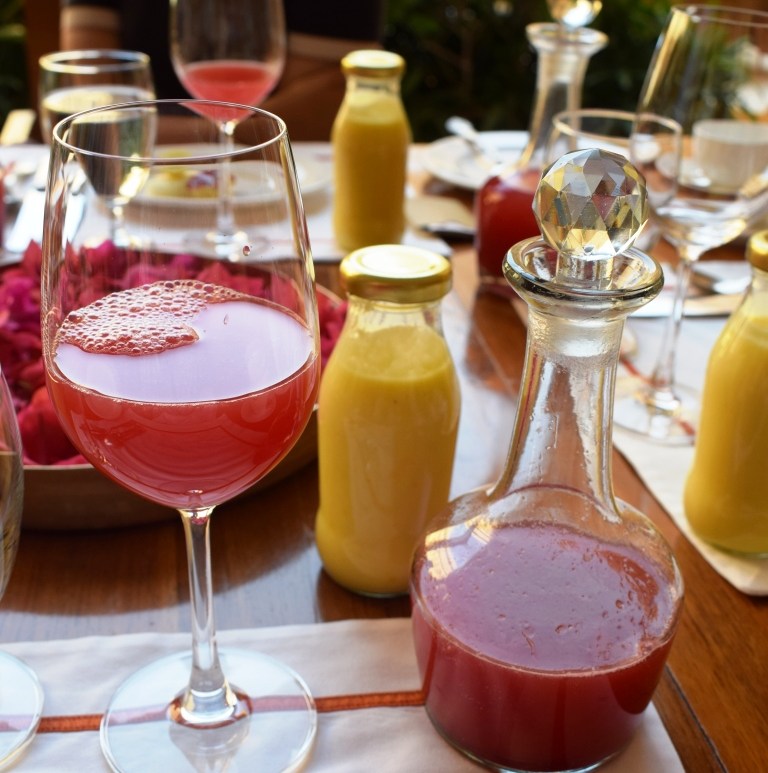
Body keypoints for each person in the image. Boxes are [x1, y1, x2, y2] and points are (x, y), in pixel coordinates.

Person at [58, 0, 386, 140]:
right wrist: (232, 132)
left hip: (270, 194)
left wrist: (140, 134)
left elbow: (323, 107)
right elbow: (92, 99)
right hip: (130, 198)